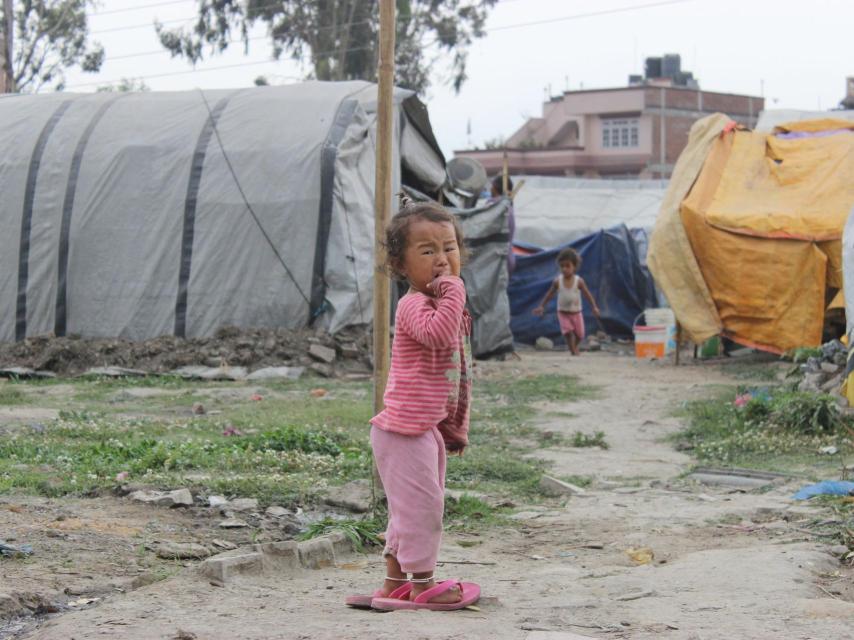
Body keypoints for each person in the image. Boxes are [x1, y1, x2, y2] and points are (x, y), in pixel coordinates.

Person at [345, 196, 481, 612]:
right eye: (427, 251)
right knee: (423, 509)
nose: (442, 260)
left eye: (449, 248)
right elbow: (440, 337)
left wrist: (453, 430)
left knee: (409, 508)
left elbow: (459, 374)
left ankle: (393, 582)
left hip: (423, 428)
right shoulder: (414, 305)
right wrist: (455, 289)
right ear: (402, 266)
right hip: (402, 431)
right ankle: (423, 584)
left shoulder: (442, 305)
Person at [533, 247, 600, 355]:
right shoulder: (557, 281)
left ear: (574, 267)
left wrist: (594, 307)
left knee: (580, 335)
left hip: (577, 313)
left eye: (567, 266)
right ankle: (573, 350)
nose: (564, 269)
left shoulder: (579, 281)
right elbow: (550, 294)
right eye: (562, 266)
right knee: (568, 332)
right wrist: (542, 306)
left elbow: (587, 294)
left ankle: (574, 347)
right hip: (563, 313)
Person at [488, 175, 516, 275]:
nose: (490, 188)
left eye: (492, 185)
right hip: (507, 258)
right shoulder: (508, 207)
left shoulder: (494, 206)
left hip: (497, 260)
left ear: (495, 187)